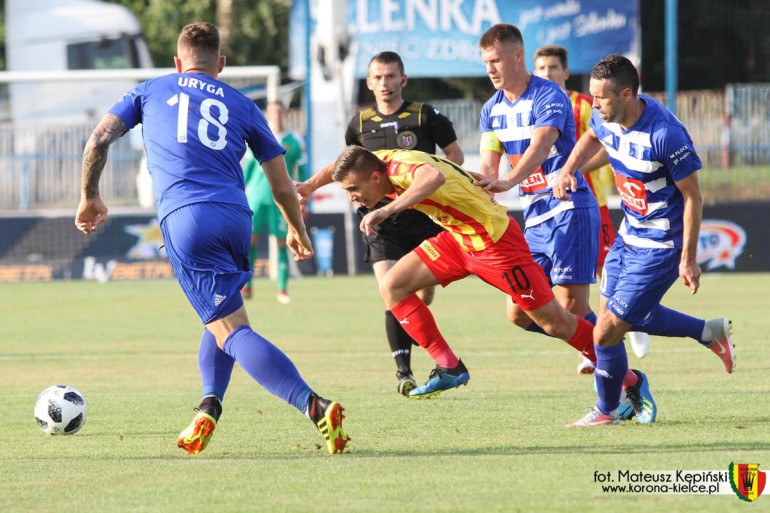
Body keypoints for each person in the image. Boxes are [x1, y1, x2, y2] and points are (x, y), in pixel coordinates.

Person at [75, 22, 349, 454]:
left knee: (232, 329)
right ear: (220, 64)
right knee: (224, 314)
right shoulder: (242, 104)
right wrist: (297, 229)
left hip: (187, 218)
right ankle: (209, 406)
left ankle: (314, 405)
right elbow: (281, 185)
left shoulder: (149, 90)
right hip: (235, 217)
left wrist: (90, 196)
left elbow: (98, 140)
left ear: (177, 63)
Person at [330, 146, 609, 404]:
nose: (352, 196)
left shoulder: (401, 169)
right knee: (393, 285)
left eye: (353, 188)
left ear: (376, 177)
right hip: (459, 240)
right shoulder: (379, 159)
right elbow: (338, 165)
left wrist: (387, 210)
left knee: (555, 322)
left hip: (495, 242)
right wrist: (306, 187)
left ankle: (626, 376)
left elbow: (433, 177)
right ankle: (449, 366)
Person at [553, 53, 736, 426]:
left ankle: (607, 410)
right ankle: (707, 331)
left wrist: (688, 258)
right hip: (628, 236)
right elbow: (592, 137)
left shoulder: (666, 134)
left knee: (605, 331)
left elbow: (693, 197)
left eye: (601, 97)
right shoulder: (605, 117)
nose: (594, 103)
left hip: (662, 246)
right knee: (614, 320)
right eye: (592, 95)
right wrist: (568, 170)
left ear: (625, 94)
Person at [297, 51, 464, 397]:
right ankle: (403, 371)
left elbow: (455, 157)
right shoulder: (359, 124)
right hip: (380, 224)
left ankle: (431, 355)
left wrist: (441, 186)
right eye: (378, 77)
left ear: (403, 80)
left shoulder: (424, 115)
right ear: (369, 82)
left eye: (391, 76)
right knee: (390, 289)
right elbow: (345, 165)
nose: (385, 83)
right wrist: (313, 185)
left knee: (421, 295)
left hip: (424, 219)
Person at [531, 44, 651, 373]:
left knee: (605, 273)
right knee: (565, 292)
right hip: (546, 207)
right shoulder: (532, 105)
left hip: (587, 203)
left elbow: (608, 146)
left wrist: (573, 170)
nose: (547, 73)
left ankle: (629, 326)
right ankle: (596, 343)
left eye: (553, 68)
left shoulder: (586, 105)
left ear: (566, 73)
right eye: (541, 68)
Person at [241, 100, 308, 304]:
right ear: (267, 115)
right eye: (273, 112)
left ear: (285, 114)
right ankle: (247, 285)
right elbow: (249, 170)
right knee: (249, 240)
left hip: (281, 199)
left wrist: (303, 197)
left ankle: (282, 290)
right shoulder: (258, 135)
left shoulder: (295, 140)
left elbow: (302, 170)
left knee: (282, 242)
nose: (276, 116)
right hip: (257, 197)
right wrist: (239, 192)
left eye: (279, 112)